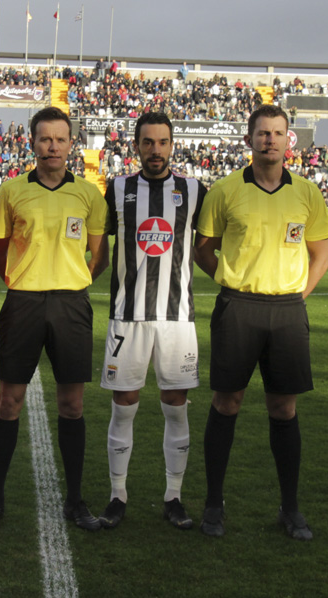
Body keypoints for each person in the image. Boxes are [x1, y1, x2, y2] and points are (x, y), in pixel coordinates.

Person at [194, 104, 328, 540]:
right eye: (262, 133)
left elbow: (320, 255)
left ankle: (289, 508)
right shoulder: (225, 190)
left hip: (288, 312)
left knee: (284, 407)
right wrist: (231, 283)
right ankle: (214, 504)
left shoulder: (307, 193)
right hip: (238, 308)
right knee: (226, 403)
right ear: (249, 139)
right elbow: (204, 249)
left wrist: (298, 297)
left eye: (277, 133)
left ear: (287, 140)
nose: (269, 139)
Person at [0, 106, 108, 532]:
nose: (52, 146)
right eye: (44, 139)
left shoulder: (88, 194)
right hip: (24, 303)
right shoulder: (13, 191)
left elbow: (98, 255)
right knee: (8, 402)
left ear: (72, 144)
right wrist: (22, 280)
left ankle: (75, 500)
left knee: (72, 405)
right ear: (32, 142)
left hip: (71, 305)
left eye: (60, 139)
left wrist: (72, 281)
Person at [95, 112, 205, 530]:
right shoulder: (117, 189)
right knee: (124, 405)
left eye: (162, 142)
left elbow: (209, 242)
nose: (155, 150)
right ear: (136, 145)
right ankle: (117, 495)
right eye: (147, 142)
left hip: (177, 318)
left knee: (176, 405)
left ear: (172, 145)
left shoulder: (195, 190)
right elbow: (98, 247)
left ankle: (173, 496)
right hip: (128, 317)